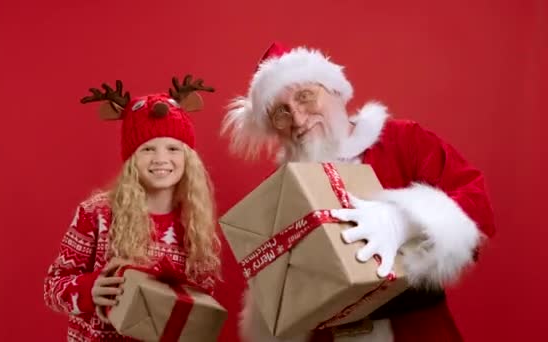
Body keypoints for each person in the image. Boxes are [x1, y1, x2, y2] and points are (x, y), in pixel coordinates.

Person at [221, 42, 496, 342]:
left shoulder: (401, 141)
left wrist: (403, 221)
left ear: (336, 91)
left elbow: (475, 204)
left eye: (305, 97)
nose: (298, 120)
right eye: (281, 113)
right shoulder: (282, 192)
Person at [44, 76, 222, 341]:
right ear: (131, 159)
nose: (161, 159)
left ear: (188, 158)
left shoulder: (195, 224)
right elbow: (52, 288)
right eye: (148, 149)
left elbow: (201, 306)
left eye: (173, 148)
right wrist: (89, 290)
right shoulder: (97, 214)